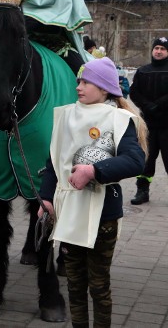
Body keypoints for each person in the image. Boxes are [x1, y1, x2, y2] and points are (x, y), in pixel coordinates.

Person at [38, 57, 146, 328]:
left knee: (98, 286)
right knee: (74, 284)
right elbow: (54, 162)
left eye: (86, 82)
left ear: (105, 88)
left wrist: (94, 171)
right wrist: (46, 198)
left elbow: (135, 160)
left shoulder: (120, 119)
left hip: (103, 214)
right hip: (68, 212)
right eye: (78, 81)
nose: (79, 87)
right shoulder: (65, 114)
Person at [129, 37, 168, 205]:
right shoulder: (143, 71)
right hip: (147, 126)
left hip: (167, 125)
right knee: (146, 160)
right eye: (156, 48)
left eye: (163, 49)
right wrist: (146, 105)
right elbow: (134, 93)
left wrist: (158, 104)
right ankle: (142, 191)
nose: (158, 51)